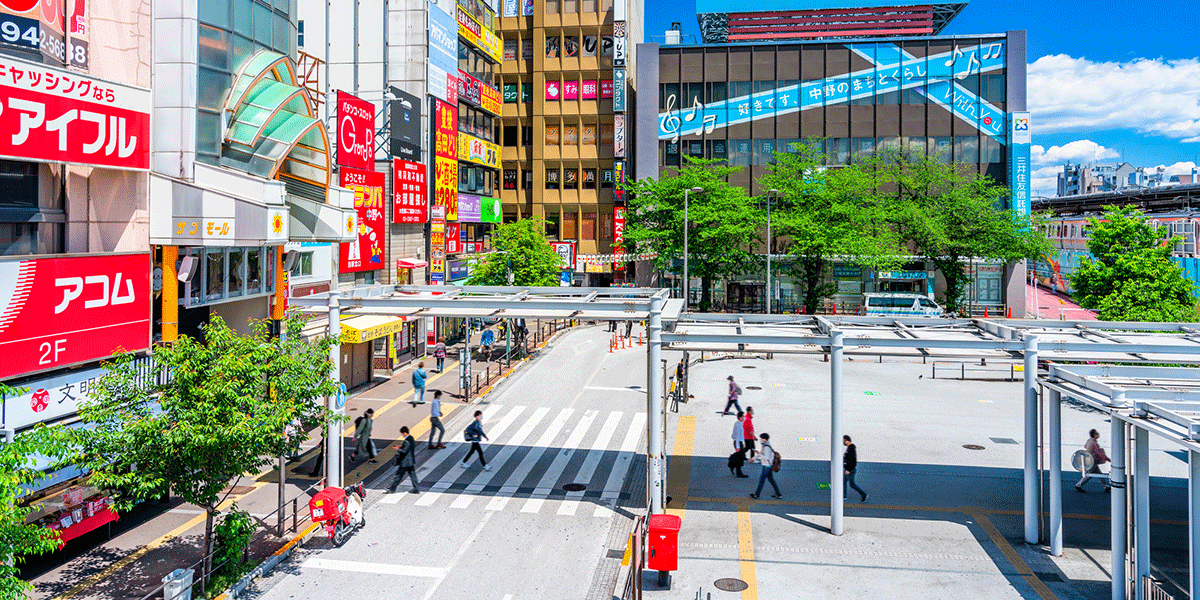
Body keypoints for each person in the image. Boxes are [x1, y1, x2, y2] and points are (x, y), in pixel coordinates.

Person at [1076, 428, 1111, 492]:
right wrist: (1107, 458)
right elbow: (1099, 453)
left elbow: (1085, 446)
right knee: (1089, 475)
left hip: (1089, 459)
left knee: (1099, 473)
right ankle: (1078, 485)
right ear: (1094, 435)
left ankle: (1106, 486)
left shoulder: (1089, 440)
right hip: (1093, 460)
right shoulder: (1095, 444)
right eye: (1097, 433)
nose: (1098, 435)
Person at [388, 426, 421, 493]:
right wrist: (401, 447)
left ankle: (392, 489)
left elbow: (404, 451)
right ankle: (416, 488)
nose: (402, 435)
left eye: (402, 433)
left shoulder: (406, 441)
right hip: (410, 461)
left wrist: (397, 449)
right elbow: (408, 448)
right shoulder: (411, 438)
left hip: (405, 462)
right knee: (413, 475)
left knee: (398, 475)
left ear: (405, 433)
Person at [750, 433, 781, 499]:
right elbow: (761, 454)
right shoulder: (765, 445)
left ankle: (757, 494)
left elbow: (766, 457)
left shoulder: (766, 447)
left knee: (761, 481)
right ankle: (778, 494)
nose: (760, 440)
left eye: (761, 438)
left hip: (766, 466)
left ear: (764, 439)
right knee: (771, 480)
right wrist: (754, 458)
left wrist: (759, 454)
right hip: (768, 466)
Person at [843, 435, 868, 503]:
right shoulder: (849, 448)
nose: (843, 442)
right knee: (843, 482)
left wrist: (848, 469)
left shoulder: (851, 449)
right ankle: (843, 496)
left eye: (844, 441)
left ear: (847, 441)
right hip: (848, 469)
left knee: (852, 484)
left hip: (850, 470)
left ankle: (864, 494)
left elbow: (852, 461)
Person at [731, 412, 748, 477]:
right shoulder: (739, 425)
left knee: (740, 457)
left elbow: (733, 435)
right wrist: (738, 446)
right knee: (740, 458)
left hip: (738, 442)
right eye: (743, 416)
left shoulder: (737, 423)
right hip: (738, 442)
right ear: (740, 417)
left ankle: (736, 469)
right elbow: (738, 435)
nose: (744, 417)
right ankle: (739, 473)